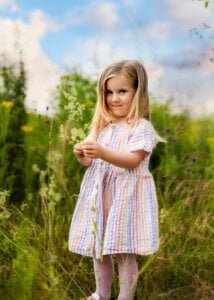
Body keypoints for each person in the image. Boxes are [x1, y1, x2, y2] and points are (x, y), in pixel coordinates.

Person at [68, 60, 166, 300]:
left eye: (122, 91)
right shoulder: (102, 124)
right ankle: (100, 295)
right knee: (98, 250)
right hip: (100, 195)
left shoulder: (140, 127)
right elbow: (89, 162)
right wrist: (82, 154)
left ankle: (125, 296)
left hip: (125, 197)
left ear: (137, 92)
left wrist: (102, 152)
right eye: (109, 92)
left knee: (123, 252)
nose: (114, 98)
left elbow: (133, 161)